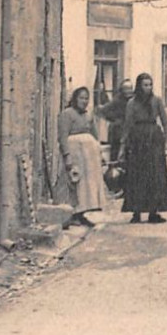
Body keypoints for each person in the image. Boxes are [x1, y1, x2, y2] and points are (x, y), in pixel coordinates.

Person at [120, 73, 167, 224]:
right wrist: (123, 146)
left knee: (155, 175)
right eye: (145, 85)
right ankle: (136, 212)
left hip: (154, 139)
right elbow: (127, 125)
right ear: (139, 86)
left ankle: (153, 212)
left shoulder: (157, 101)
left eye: (150, 85)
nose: (148, 88)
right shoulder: (132, 103)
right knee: (137, 175)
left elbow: (165, 122)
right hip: (137, 141)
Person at [58, 86, 105, 228]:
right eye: (81, 98)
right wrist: (67, 156)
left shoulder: (88, 115)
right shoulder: (67, 114)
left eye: (86, 98)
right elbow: (63, 137)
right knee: (74, 181)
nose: (84, 101)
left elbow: (95, 136)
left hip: (89, 156)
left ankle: (82, 213)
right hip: (75, 153)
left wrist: (100, 153)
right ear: (74, 99)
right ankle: (72, 215)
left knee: (87, 184)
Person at [97, 78, 134, 162]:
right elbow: (103, 111)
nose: (128, 91)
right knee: (117, 156)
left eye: (130, 88)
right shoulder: (117, 100)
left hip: (131, 131)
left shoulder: (135, 101)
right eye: (126, 89)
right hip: (118, 131)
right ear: (122, 89)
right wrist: (114, 119)